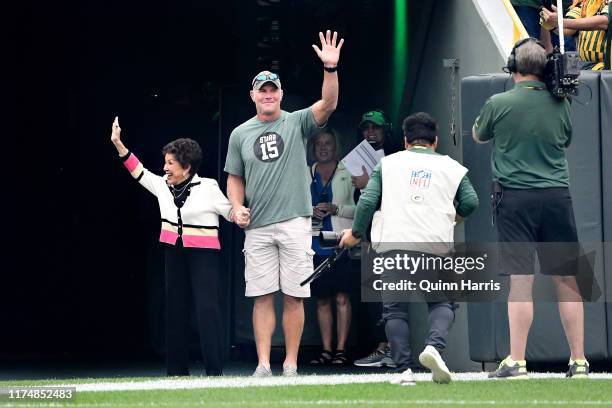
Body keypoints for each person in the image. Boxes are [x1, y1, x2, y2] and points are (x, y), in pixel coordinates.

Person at [224, 30, 344, 377]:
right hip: (258, 224)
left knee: (295, 295)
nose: (268, 95)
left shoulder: (295, 121)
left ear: (280, 94)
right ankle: (263, 364)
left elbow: (329, 104)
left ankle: (290, 364)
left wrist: (330, 68)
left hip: (294, 221)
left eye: (272, 89)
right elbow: (235, 176)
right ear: (252, 95)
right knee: (261, 296)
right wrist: (236, 206)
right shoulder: (239, 133)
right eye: (262, 90)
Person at [472, 38, 589, 379]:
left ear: (514, 66)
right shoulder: (561, 102)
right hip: (556, 196)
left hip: (515, 200)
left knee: (520, 283)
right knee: (567, 280)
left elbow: (479, 135)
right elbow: (566, 140)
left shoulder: (498, 101)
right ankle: (579, 360)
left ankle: (517, 360)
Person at [340, 112, 478, 385]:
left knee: (395, 310)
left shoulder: (388, 164)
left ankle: (403, 370)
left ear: (405, 141)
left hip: (394, 245)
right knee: (442, 302)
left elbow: (367, 202)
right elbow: (471, 201)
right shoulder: (451, 166)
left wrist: (355, 234)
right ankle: (434, 348)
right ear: (435, 141)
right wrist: (456, 215)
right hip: (435, 245)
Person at [110, 117, 249, 377]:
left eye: (170, 163)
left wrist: (239, 215)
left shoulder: (208, 186)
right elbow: (138, 171)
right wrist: (119, 144)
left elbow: (228, 210)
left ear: (186, 167)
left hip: (204, 254)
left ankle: (214, 371)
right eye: (165, 163)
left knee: (207, 308)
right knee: (175, 309)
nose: (165, 168)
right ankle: (176, 372)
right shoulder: (162, 185)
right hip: (173, 252)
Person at [307, 128, 355, 367]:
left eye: (328, 143)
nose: (323, 148)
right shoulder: (306, 173)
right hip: (315, 244)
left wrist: (338, 209)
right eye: (318, 144)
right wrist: (310, 210)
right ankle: (326, 350)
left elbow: (364, 209)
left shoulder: (349, 172)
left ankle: (341, 350)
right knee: (322, 299)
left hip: (341, 241)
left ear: (335, 146)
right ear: (313, 148)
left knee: (342, 297)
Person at [352, 109, 396, 369]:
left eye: (375, 128)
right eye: (366, 128)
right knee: (373, 293)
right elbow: (361, 201)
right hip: (371, 235)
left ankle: (391, 348)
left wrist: (370, 183)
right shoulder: (358, 158)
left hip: (393, 234)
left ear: (386, 130)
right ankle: (382, 347)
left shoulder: (396, 158)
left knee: (392, 293)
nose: (370, 132)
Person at [541, 0, 609, 70]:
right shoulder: (585, 2)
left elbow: (604, 22)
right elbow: (568, 29)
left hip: (607, 66)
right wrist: (552, 24)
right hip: (584, 65)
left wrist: (561, 21)